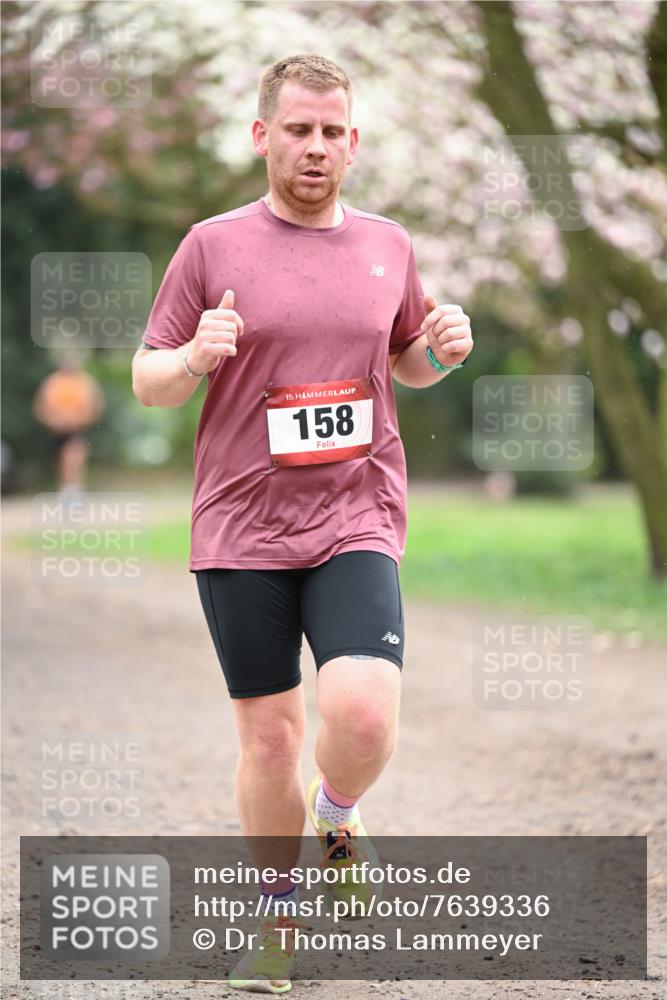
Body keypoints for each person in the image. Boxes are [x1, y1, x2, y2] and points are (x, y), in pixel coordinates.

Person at [132, 54, 473, 994]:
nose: (315, 147)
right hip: (240, 524)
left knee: (362, 712)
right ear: (262, 137)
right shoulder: (210, 245)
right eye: (297, 129)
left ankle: (338, 811)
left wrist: (440, 352)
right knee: (271, 737)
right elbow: (148, 379)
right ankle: (277, 923)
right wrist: (195, 355)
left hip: (355, 510)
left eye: (332, 132)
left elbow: (403, 359)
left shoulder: (387, 246)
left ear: (353, 144)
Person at [32, 356, 106, 498]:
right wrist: (52, 421)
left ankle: (75, 490)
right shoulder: (52, 382)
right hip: (57, 431)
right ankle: (66, 490)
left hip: (79, 429)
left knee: (74, 458)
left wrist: (83, 420)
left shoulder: (85, 382)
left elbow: (97, 405)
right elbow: (40, 407)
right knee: (61, 462)